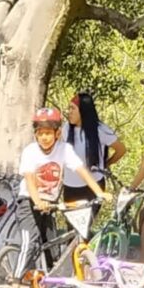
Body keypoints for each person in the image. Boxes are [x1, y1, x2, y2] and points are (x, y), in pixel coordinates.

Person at [19, 105, 105, 278]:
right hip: (29, 201)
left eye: (48, 133)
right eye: (40, 133)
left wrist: (99, 192)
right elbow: (30, 181)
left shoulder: (64, 149)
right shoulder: (30, 151)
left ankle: (49, 282)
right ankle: (16, 282)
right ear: (35, 135)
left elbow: (81, 170)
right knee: (31, 241)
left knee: (52, 246)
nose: (44, 137)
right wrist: (38, 202)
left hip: (49, 203)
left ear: (57, 133)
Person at [63, 91, 123, 204]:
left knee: (89, 215)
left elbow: (121, 150)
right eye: (69, 108)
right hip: (70, 187)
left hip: (94, 186)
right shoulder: (66, 128)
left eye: (73, 108)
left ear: (83, 110)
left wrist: (106, 164)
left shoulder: (100, 130)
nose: (69, 112)